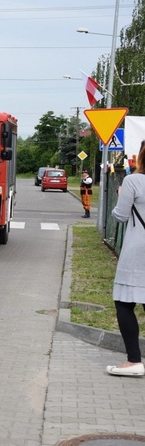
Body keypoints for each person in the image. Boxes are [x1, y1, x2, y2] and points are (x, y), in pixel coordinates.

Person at [106, 143, 145, 377]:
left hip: (138, 251)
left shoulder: (133, 181)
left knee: (124, 302)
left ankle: (134, 360)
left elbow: (120, 215)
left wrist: (121, 196)